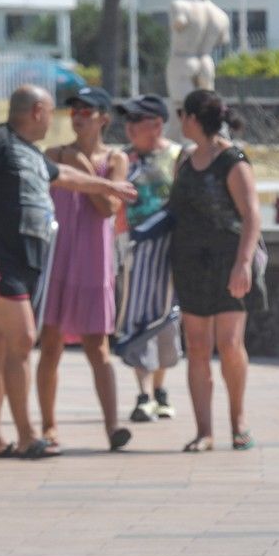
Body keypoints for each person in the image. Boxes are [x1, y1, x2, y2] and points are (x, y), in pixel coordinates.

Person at [0, 85, 137, 460]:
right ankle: (28, 435)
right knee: (24, 338)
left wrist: (108, 185)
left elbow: (64, 175)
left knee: (1, 347)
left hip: (23, 259)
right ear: (37, 111)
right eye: (52, 111)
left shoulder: (29, 152)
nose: (56, 120)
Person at [35, 86, 132, 454]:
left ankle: (113, 426)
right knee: (51, 344)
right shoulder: (53, 155)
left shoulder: (116, 160)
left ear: (104, 119)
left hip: (94, 261)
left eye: (87, 111)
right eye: (74, 110)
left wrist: (85, 170)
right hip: (59, 258)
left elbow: (109, 207)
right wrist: (72, 163)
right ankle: (49, 426)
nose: (78, 117)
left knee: (98, 347)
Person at [168, 89, 265, 452]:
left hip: (228, 260)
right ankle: (204, 431)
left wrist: (243, 264)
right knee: (196, 346)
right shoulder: (184, 159)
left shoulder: (233, 160)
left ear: (193, 118)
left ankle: (238, 422)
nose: (180, 121)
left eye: (182, 114)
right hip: (190, 261)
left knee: (228, 343)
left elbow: (252, 214)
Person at [115, 94, 186, 423]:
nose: (129, 127)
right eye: (127, 120)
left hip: (170, 252)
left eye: (136, 120)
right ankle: (143, 394)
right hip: (133, 252)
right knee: (135, 319)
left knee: (167, 321)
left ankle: (160, 389)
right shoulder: (122, 160)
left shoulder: (177, 156)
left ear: (157, 123)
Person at [166, 0, 230, 110]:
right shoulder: (221, 15)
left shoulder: (180, 5)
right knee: (206, 112)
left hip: (183, 60)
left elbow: (178, 23)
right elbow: (223, 40)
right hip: (206, 63)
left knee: (182, 111)